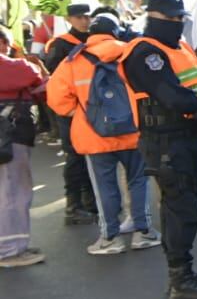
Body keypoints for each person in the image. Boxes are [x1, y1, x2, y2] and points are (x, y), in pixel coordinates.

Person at [120, 0, 197, 299]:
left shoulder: (178, 46)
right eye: (172, 19)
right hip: (166, 141)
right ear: (153, 18)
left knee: (184, 206)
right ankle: (180, 280)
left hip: (185, 137)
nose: (179, 24)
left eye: (181, 18)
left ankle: (184, 272)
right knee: (180, 209)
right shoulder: (144, 54)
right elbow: (172, 96)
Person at [46, 13, 161, 255]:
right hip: (134, 131)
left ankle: (111, 238)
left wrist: (80, 113)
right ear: (115, 31)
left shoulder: (73, 61)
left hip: (94, 134)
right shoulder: (131, 52)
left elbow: (57, 101)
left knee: (105, 187)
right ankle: (143, 232)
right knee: (138, 181)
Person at [44, 3, 97, 225]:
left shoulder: (94, 41)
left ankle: (90, 202)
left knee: (93, 156)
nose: (84, 21)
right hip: (71, 110)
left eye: (86, 17)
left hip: (93, 108)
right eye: (79, 17)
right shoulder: (61, 44)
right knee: (75, 157)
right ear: (69, 19)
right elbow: (55, 77)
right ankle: (73, 206)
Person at [0, 33, 48, 268]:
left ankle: (13, 244)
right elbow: (39, 80)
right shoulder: (16, 67)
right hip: (10, 136)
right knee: (14, 190)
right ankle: (10, 250)